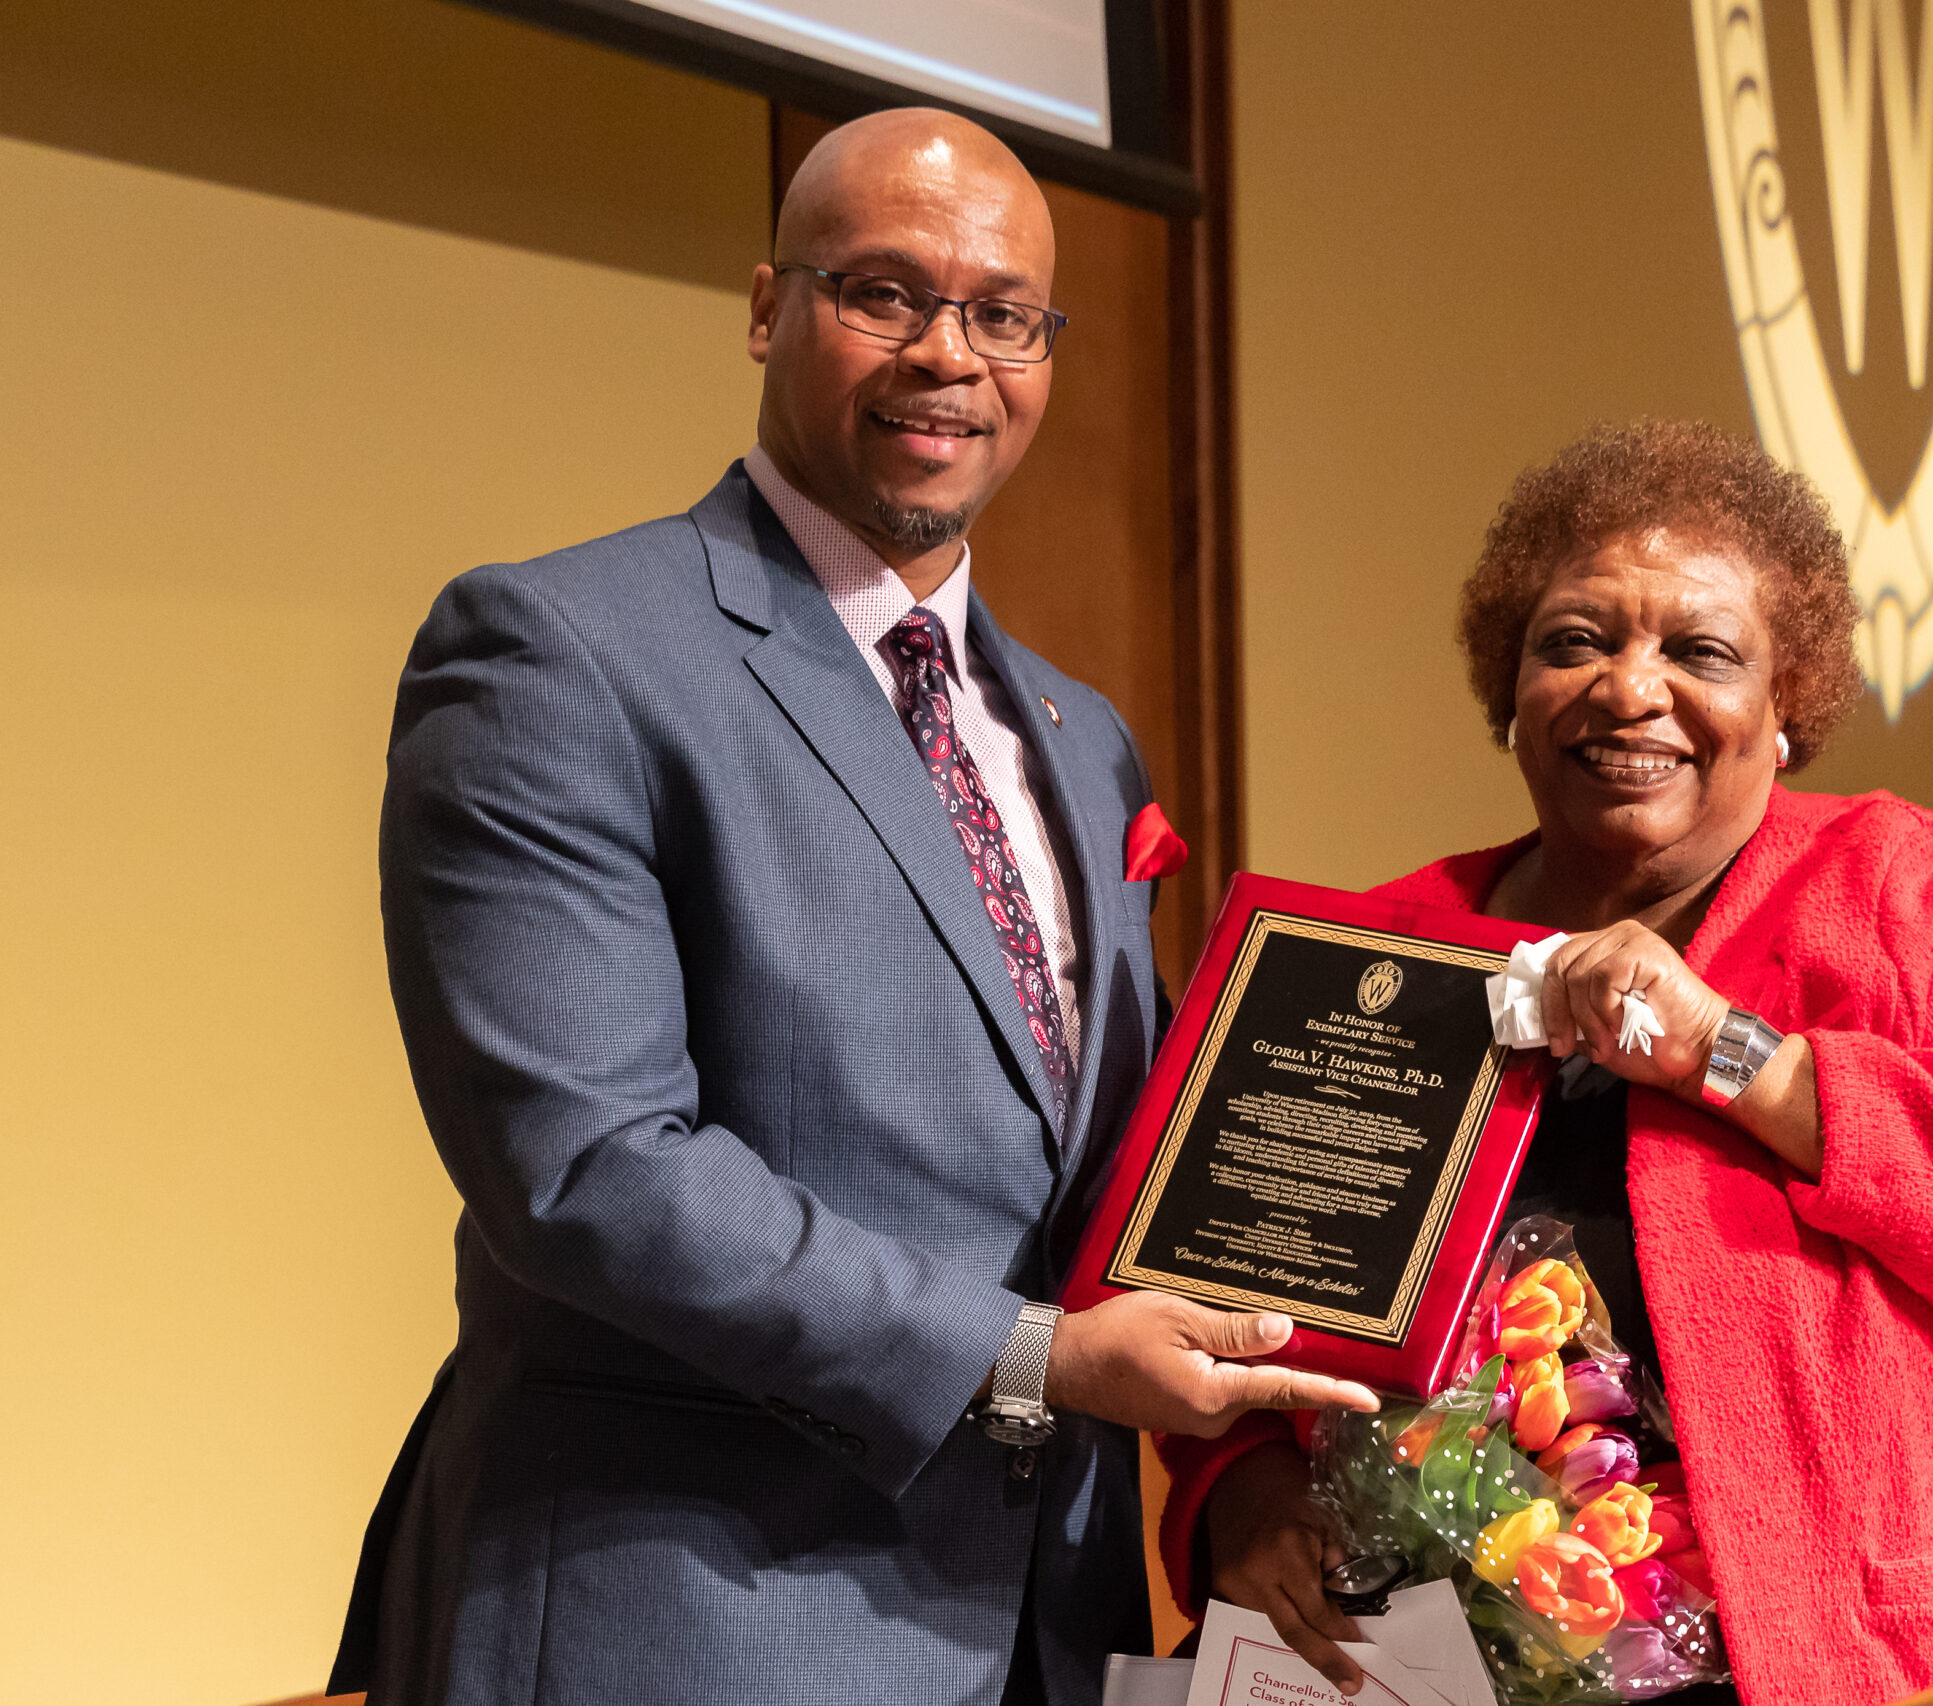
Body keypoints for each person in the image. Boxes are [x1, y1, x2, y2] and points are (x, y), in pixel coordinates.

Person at [329, 110, 1373, 1706]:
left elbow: (1104, 1165)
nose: (948, 355)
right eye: (881, 292)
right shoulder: (560, 653)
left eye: (1004, 314)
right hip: (686, 1619)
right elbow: (587, 1166)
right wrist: (1033, 1358)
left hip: (1042, 1630)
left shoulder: (1081, 736)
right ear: (767, 308)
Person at [1158, 421, 1933, 1706]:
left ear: (1786, 704)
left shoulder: (1905, 885)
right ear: (1509, 688)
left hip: (1872, 1664)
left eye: (1699, 651)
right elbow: (1213, 1293)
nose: (1628, 690)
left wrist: (1728, 1054)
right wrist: (1238, 1486)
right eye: (1573, 642)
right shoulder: (1379, 951)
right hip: (1434, 1674)